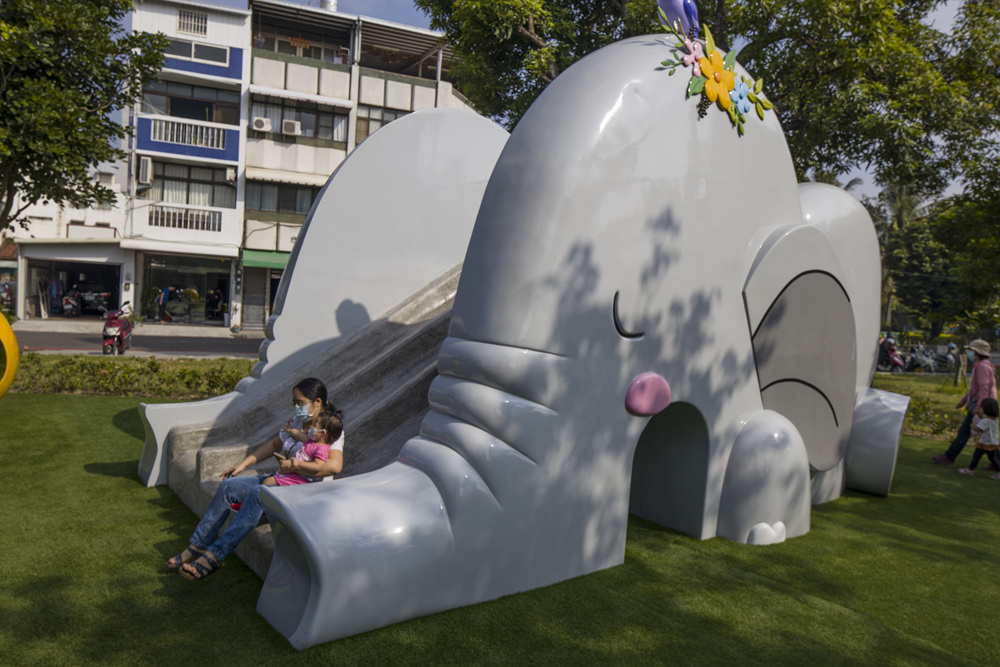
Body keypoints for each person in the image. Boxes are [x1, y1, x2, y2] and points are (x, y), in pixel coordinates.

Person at [166, 377, 345, 580]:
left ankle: (215, 555)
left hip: (303, 490)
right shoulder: (297, 423)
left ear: (317, 403)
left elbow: (334, 466)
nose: (296, 408)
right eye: (294, 403)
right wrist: (243, 464)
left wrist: (296, 466)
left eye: (300, 403)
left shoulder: (329, 430)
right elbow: (274, 445)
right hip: (281, 479)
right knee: (228, 487)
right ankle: (197, 546)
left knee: (258, 494)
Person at [933, 339, 997, 466]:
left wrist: (979, 408)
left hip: (982, 406)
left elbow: (983, 389)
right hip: (984, 405)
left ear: (978, 352)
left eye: (972, 351)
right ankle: (996, 462)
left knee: (964, 433)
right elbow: (976, 389)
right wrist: (963, 401)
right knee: (988, 436)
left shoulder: (983, 367)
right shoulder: (982, 365)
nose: (969, 353)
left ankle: (950, 456)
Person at [957, 398, 1000, 478]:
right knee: (993, 458)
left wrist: (971, 425)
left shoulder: (986, 421)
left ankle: (970, 470)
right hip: (993, 443)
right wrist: (978, 413)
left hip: (984, 443)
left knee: (976, 456)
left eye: (982, 408)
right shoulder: (995, 419)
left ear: (987, 409)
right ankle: (998, 473)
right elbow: (984, 416)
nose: (981, 409)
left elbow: (978, 429)